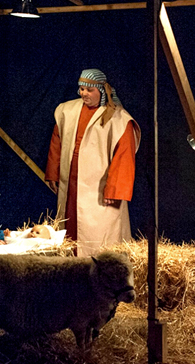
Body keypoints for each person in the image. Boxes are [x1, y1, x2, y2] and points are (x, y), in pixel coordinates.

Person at [45, 68, 141, 256]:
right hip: (71, 183)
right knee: (70, 228)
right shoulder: (67, 110)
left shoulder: (118, 118)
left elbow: (124, 154)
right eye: (81, 89)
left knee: (99, 239)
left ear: (102, 90)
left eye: (89, 90)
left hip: (99, 189)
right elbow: (56, 142)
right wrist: (53, 173)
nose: (84, 94)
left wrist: (115, 189)